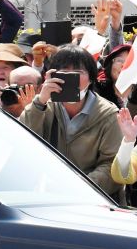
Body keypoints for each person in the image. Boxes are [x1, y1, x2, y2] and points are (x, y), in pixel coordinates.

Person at [19, 45, 124, 202]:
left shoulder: (108, 114)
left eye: (78, 72)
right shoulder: (43, 107)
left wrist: (78, 187)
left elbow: (112, 165)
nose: (70, 77)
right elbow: (23, 143)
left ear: (91, 78)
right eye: (64, 71)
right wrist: (40, 101)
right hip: (46, 198)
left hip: (93, 200)